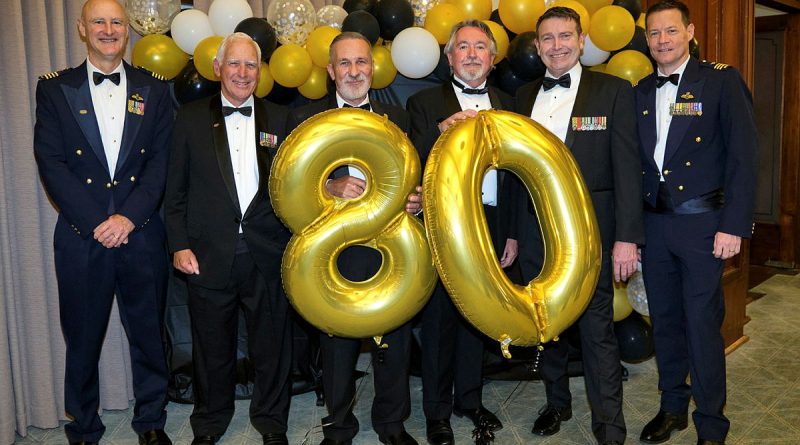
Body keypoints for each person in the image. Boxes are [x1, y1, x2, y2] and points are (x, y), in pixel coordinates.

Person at [32, 0, 172, 444]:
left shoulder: (154, 88)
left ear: (127, 30)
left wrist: (127, 218)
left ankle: (151, 423)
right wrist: (98, 222)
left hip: (142, 233)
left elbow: (160, 164)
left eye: (116, 22)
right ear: (81, 28)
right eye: (99, 21)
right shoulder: (55, 89)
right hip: (81, 235)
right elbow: (51, 163)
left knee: (150, 337)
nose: (108, 29)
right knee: (82, 341)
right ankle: (84, 427)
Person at [512, 7, 644, 445]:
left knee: (596, 329)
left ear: (582, 39)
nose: (557, 46)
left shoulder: (613, 91)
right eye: (547, 38)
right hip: (535, 232)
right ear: (537, 45)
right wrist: (513, 232)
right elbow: (512, 172)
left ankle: (609, 424)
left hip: (592, 235)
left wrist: (627, 238)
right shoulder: (523, 95)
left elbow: (627, 171)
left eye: (565, 36)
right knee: (546, 324)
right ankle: (557, 402)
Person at [285, 32, 422, 445]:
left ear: (373, 69)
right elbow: (288, 187)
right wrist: (328, 188)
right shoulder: (305, 120)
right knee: (337, 346)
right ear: (330, 71)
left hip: (388, 247)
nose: (354, 71)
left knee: (393, 341)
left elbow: (417, 176)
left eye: (361, 62)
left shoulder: (398, 118)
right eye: (344, 63)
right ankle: (339, 426)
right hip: (334, 250)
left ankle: (392, 425)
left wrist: (415, 200)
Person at [635, 2, 757, 444]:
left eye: (671, 31)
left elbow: (744, 158)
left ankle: (711, 422)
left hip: (705, 227)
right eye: (653, 33)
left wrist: (734, 225)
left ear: (689, 32)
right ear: (646, 39)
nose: (662, 40)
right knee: (664, 322)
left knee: (703, 325)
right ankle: (672, 408)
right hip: (655, 228)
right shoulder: (641, 91)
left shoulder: (721, 80)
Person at [164, 33, 293, 445]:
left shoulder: (281, 119)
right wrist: (179, 244)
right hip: (207, 254)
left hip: (267, 251)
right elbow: (175, 191)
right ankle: (210, 423)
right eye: (234, 64)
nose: (242, 73)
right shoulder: (189, 118)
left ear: (261, 71)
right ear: (218, 68)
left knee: (272, 347)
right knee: (211, 349)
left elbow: (295, 187)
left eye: (251, 65)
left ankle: (272, 423)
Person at [406, 20, 516, 445]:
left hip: (491, 221)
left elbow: (516, 179)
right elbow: (408, 163)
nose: (472, 54)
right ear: (449, 57)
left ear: (492, 58)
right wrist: (438, 132)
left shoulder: (509, 104)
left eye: (480, 48)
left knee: (480, 314)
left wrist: (510, 234)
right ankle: (436, 412)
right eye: (463, 47)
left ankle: (469, 399)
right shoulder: (423, 102)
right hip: (444, 222)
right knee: (439, 320)